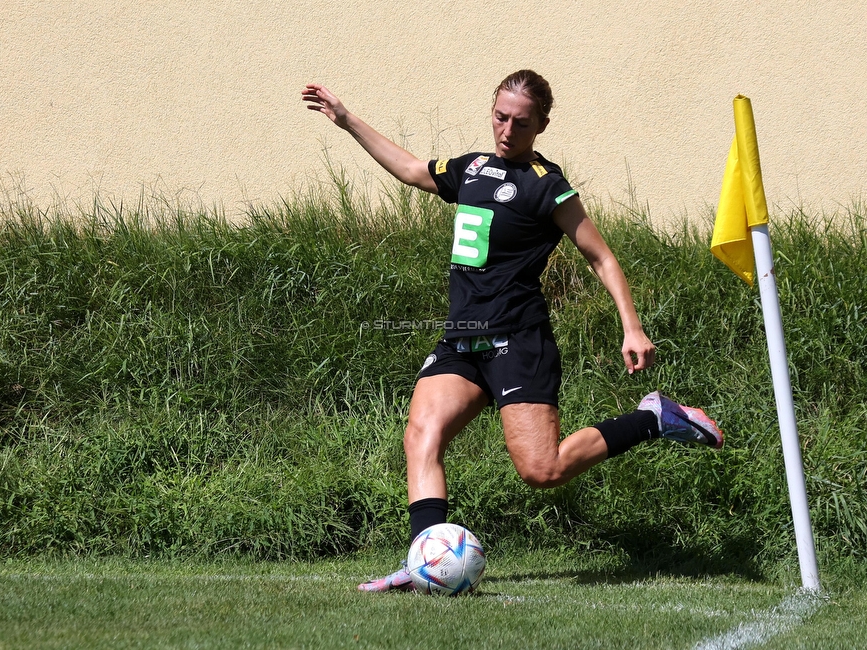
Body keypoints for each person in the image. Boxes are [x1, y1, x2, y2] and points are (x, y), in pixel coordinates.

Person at [301, 70, 723, 593]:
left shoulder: (548, 185)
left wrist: (631, 328)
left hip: (517, 341)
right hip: (464, 338)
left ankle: (653, 418)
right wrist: (346, 121)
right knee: (421, 437)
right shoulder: (472, 168)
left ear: (541, 124)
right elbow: (411, 168)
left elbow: (601, 256)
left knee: (542, 471)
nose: (507, 130)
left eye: (521, 122)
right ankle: (426, 565)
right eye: (500, 117)